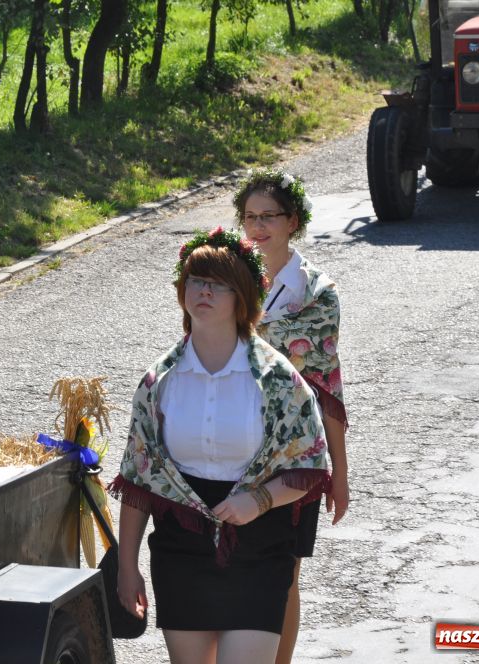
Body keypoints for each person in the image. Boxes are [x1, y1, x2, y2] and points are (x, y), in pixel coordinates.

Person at [109, 227, 330, 664]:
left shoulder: (280, 381)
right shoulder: (158, 382)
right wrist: (126, 566)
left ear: (241, 298)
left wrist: (260, 500)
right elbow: (139, 480)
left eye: (217, 284)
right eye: (195, 281)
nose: (203, 292)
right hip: (181, 551)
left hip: (260, 548)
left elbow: (310, 465)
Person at [235, 170, 350, 664]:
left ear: (292, 222)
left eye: (268, 217)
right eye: (249, 217)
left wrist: (338, 474)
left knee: (283, 576)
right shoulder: (227, 276)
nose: (257, 228)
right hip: (226, 449)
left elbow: (325, 388)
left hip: (292, 455)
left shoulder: (317, 293)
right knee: (225, 573)